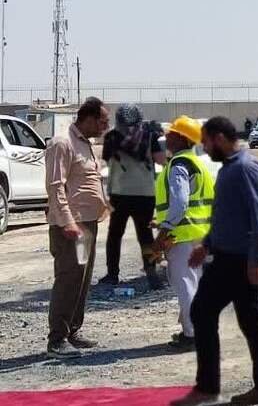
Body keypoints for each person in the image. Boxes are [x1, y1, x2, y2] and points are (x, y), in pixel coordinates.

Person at [173, 117, 258, 406]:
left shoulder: (246, 168)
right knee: (218, 314)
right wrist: (206, 245)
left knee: (236, 317)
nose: (205, 150)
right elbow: (225, 216)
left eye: (206, 143)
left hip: (241, 258)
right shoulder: (230, 168)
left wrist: (255, 260)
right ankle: (253, 384)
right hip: (226, 256)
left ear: (219, 138)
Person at [44, 97, 109, 359]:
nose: (105, 127)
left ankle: (72, 330)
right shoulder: (63, 143)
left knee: (81, 280)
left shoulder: (85, 143)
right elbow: (55, 186)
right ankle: (57, 339)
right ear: (89, 119)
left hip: (86, 225)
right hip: (70, 226)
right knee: (68, 279)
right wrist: (68, 221)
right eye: (103, 121)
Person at [151, 116, 213, 351]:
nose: (166, 137)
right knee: (195, 284)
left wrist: (164, 231)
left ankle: (193, 335)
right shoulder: (196, 163)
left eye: (172, 133)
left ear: (182, 139)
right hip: (199, 233)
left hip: (183, 235)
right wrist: (161, 221)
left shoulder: (178, 165)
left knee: (186, 285)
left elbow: (180, 203)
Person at [98, 103, 166, 288]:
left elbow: (107, 160)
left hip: (119, 193)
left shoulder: (112, 137)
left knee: (115, 235)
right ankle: (152, 273)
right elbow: (161, 160)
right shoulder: (150, 136)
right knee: (146, 235)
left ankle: (112, 275)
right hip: (145, 194)